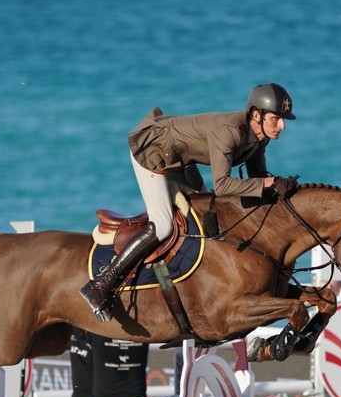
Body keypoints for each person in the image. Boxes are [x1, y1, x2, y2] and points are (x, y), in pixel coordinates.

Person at [81, 83, 299, 322]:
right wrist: (269, 183)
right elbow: (224, 186)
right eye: (276, 119)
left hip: (180, 157)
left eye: (283, 120)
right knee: (163, 225)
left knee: (205, 216)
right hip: (153, 149)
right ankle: (102, 283)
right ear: (257, 115)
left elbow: (258, 178)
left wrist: (278, 185)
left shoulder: (260, 137)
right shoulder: (230, 132)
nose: (283, 126)